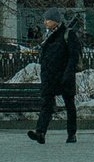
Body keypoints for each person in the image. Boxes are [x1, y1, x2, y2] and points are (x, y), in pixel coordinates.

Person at [28, 10, 80, 145]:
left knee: (69, 104)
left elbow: (74, 56)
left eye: (48, 20)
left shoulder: (67, 34)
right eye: (45, 20)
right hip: (50, 76)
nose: (45, 22)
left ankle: (71, 133)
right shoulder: (48, 36)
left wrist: (68, 73)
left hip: (64, 76)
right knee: (47, 104)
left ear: (56, 21)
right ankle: (40, 132)